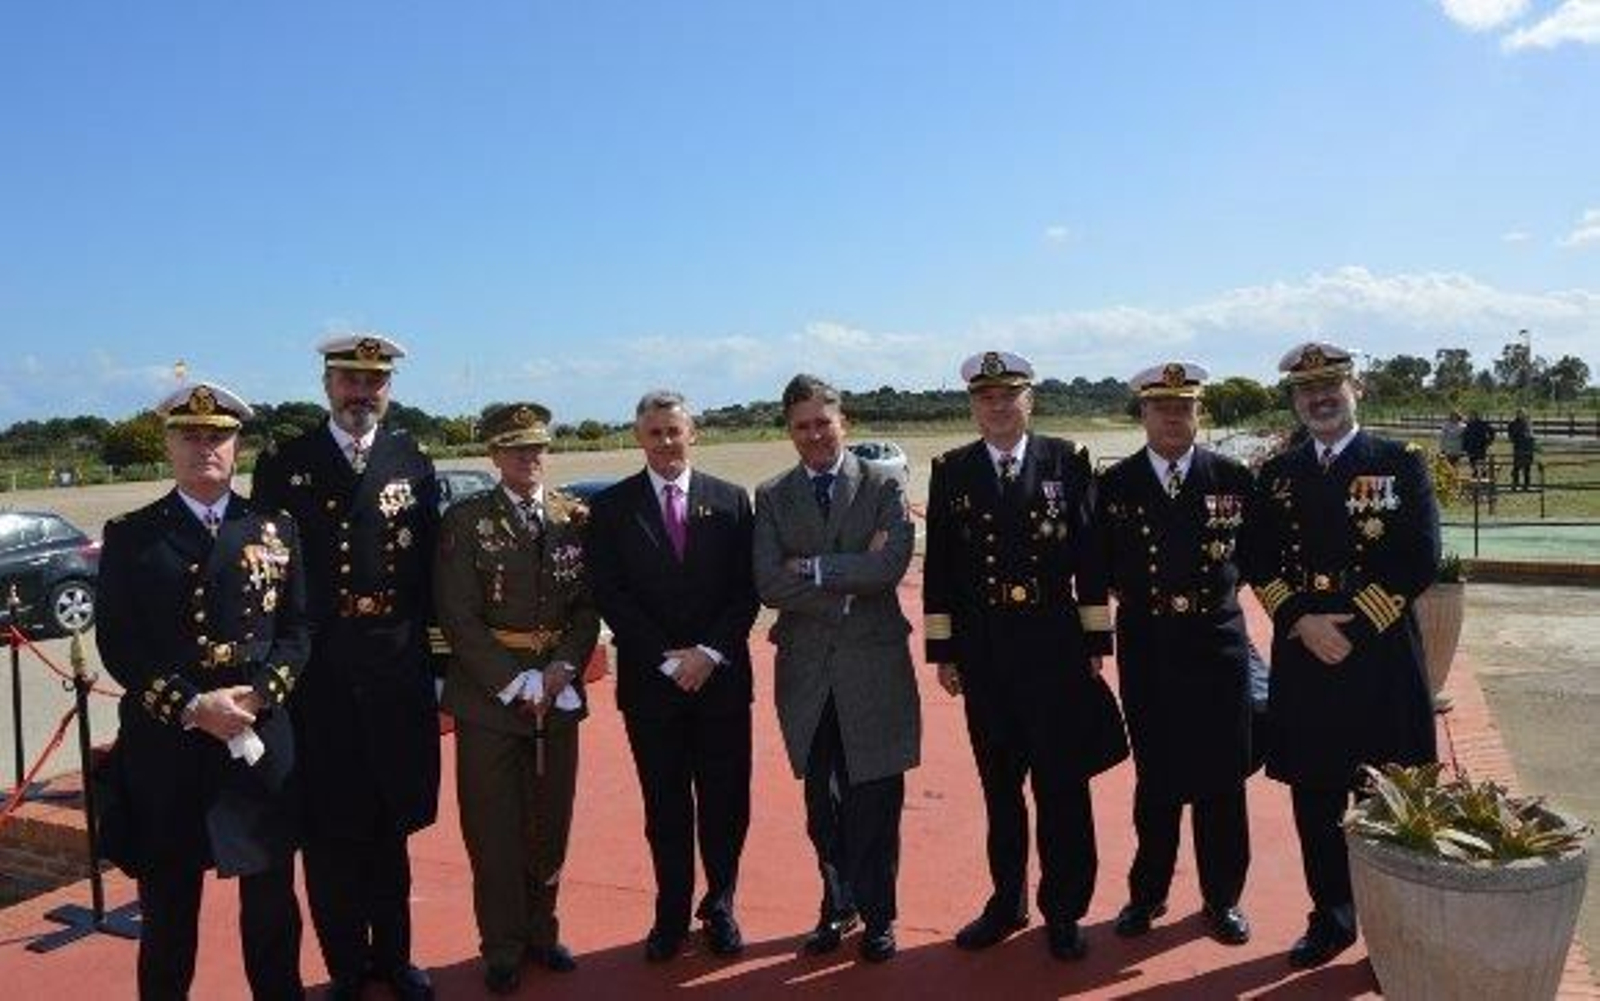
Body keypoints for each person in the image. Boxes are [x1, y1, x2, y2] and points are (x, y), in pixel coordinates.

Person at [96, 381, 310, 999]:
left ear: (237, 445)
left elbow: (299, 628)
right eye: (189, 436)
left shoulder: (274, 527)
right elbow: (121, 643)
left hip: (256, 740)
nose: (204, 448)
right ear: (168, 446)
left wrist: (260, 696)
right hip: (170, 745)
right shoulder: (133, 535)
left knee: (272, 905)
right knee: (168, 915)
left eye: (217, 436)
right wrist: (193, 705)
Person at [250, 333, 442, 1000]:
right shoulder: (286, 461)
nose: (363, 393)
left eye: (375, 381)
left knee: (390, 828)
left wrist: (435, 665)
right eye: (350, 380)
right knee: (330, 834)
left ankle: (395, 958)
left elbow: (430, 575)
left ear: (388, 388)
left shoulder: (411, 456)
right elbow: (267, 576)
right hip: (322, 673)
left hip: (394, 668)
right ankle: (346, 970)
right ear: (326, 385)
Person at [924, 350, 1128, 961]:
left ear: (1029, 401)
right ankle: (1005, 899)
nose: (998, 406)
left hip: (1054, 647)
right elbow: (939, 568)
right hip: (985, 653)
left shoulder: (1067, 460)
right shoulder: (952, 469)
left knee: (1063, 788)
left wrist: (1096, 641)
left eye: (1009, 395)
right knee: (1001, 789)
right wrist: (944, 650)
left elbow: (1089, 556)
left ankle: (1064, 910)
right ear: (973, 406)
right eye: (986, 397)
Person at [1242, 340, 1440, 969]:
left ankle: (1392, 935)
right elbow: (1258, 559)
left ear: (1356, 389)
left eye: (1331, 386)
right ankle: (1331, 918)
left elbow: (1419, 557)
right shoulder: (1276, 475)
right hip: (1306, 657)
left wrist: (1348, 629)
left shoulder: (1400, 462)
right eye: (1306, 391)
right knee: (1316, 795)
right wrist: (1300, 621)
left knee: (1390, 800)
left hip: (1379, 655)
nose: (1319, 399)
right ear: (1295, 401)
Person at [584, 391, 759, 963]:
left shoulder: (732, 502)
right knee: (665, 808)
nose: (665, 442)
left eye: (674, 431)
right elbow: (611, 593)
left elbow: (745, 590)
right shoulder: (611, 508)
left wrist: (707, 653)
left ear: (693, 434)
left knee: (725, 803)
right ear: (639, 438)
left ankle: (722, 905)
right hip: (651, 686)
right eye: (654, 433)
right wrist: (667, 657)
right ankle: (670, 913)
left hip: (720, 682)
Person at [752, 374, 921, 963]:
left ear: (842, 422)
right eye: (803, 425)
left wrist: (814, 570)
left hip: (873, 667)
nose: (815, 434)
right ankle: (837, 903)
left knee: (876, 798)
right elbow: (768, 582)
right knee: (823, 806)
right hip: (807, 675)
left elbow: (891, 566)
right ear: (789, 431)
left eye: (824, 422)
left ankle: (878, 914)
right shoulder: (772, 495)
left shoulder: (881, 483)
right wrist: (848, 576)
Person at [433, 403, 599, 994]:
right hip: (489, 701)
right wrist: (514, 680)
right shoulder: (465, 520)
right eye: (516, 448)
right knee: (493, 829)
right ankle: (501, 945)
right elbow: (457, 616)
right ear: (494, 456)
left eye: (537, 448)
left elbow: (585, 608)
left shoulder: (571, 516)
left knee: (549, 822)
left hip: (557, 694)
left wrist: (560, 667)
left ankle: (542, 931)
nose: (529, 458)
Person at [1092, 362, 1253, 946]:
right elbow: (1099, 565)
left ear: (1198, 413)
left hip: (1216, 643)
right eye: (1160, 407)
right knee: (1156, 778)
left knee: (1222, 779)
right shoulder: (1114, 485)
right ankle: (1148, 893)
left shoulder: (1231, 477)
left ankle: (1222, 899)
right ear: (1142, 414)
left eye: (1184, 407)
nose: (1172, 417)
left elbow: (1254, 558)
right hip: (1150, 643)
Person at [1508, 408, 1535, 491]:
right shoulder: (1513, 424)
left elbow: (1531, 434)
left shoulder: (1528, 423)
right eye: (1520, 413)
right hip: (1518, 447)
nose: (1521, 415)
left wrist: (1532, 443)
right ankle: (1515, 484)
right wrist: (1516, 439)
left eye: (1523, 413)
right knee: (1516, 467)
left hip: (1528, 448)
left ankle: (1526, 485)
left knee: (1527, 468)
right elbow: (1511, 435)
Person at [1462, 410, 1495, 479]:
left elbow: (1491, 431)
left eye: (1472, 415)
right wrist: (1464, 447)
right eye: (1470, 416)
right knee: (1472, 462)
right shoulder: (1468, 424)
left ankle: (1483, 475)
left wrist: (1489, 441)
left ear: (1476, 416)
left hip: (1480, 446)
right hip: (1471, 447)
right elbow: (1465, 436)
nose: (1471, 417)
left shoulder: (1482, 423)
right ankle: (1475, 474)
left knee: (1481, 462)